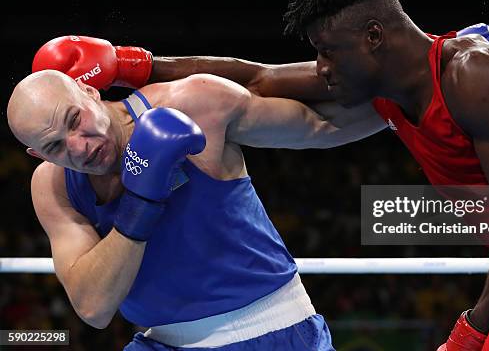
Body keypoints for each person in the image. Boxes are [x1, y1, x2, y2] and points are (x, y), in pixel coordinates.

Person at [30, 0, 489, 351]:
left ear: (374, 38)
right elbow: (256, 78)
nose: (323, 69)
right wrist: (141, 66)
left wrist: (471, 328)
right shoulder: (381, 87)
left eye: (328, 52)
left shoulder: (476, 76)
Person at [6, 67, 382, 349]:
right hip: (161, 342)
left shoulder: (193, 103)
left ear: (89, 90)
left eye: (75, 120)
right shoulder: (53, 186)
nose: (79, 147)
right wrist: (142, 201)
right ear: (37, 155)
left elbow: (321, 125)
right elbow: (93, 308)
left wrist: (417, 103)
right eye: (55, 147)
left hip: (271, 329)